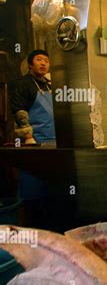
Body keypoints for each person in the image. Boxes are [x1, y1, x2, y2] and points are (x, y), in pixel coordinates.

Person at [9, 49, 55, 228]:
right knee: (33, 191)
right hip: (34, 144)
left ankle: (50, 228)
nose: (43, 63)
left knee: (50, 191)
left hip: (54, 143)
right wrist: (28, 138)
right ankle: (33, 228)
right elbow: (19, 111)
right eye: (39, 60)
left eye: (46, 60)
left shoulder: (49, 85)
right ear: (30, 64)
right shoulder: (24, 84)